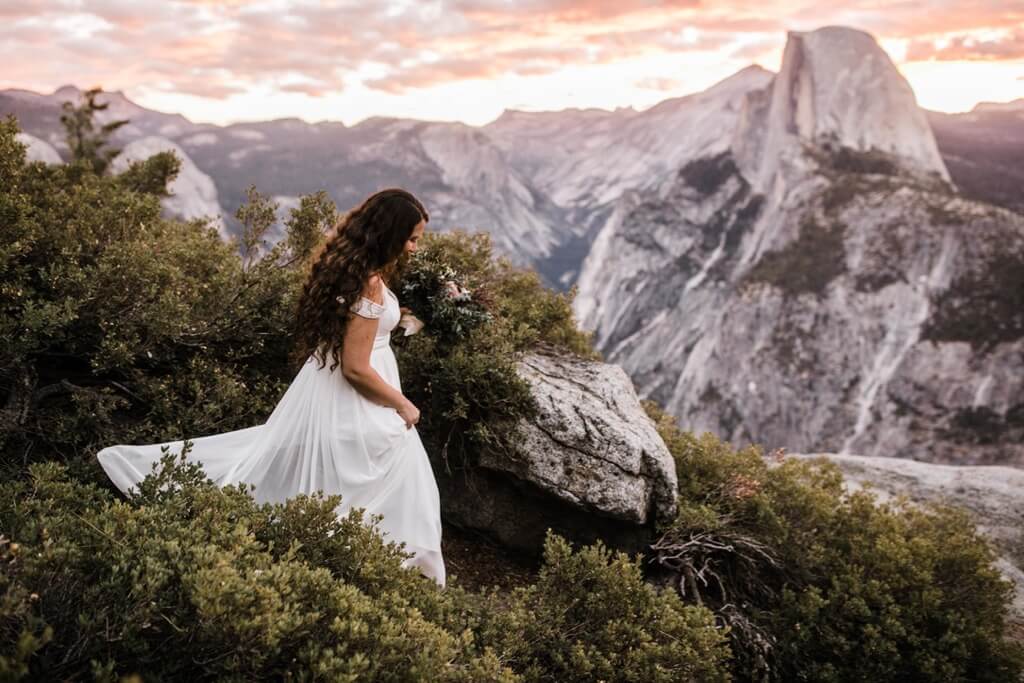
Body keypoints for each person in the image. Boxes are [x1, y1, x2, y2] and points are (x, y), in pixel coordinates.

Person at [96, 188, 446, 588]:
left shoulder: (360, 269)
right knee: (395, 464)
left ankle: (363, 556)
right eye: (412, 238)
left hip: (334, 385)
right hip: (358, 390)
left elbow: (357, 329)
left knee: (343, 468)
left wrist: (395, 316)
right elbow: (354, 367)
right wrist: (402, 403)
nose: (416, 248)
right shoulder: (367, 281)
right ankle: (382, 566)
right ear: (389, 233)